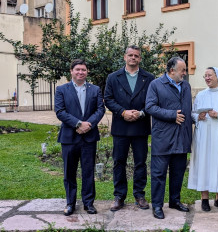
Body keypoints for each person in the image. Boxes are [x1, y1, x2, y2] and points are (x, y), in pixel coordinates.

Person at [104, 45, 155, 211]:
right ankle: (119, 196)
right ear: (125, 57)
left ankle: (139, 194)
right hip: (121, 126)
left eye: (137, 56)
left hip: (140, 126)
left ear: (140, 59)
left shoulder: (149, 78)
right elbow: (108, 99)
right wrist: (123, 112)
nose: (133, 58)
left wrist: (141, 113)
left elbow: (153, 101)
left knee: (140, 162)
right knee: (119, 162)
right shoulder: (113, 77)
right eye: (130, 55)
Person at [55, 59, 105, 216]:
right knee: (69, 172)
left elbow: (100, 109)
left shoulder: (95, 89)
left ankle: (88, 203)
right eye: (77, 69)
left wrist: (88, 124)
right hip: (69, 138)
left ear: (87, 72)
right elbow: (60, 111)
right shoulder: (62, 89)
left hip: (89, 138)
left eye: (83, 69)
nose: (80, 72)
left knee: (88, 172)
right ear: (71, 71)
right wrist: (78, 124)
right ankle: (70, 203)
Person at [145, 57, 192, 219]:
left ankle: (175, 201)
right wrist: (172, 115)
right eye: (183, 70)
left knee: (178, 172)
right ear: (172, 71)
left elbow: (187, 108)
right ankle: (157, 205)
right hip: (163, 137)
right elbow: (150, 107)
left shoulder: (186, 86)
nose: (185, 73)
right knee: (158, 174)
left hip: (182, 136)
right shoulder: (156, 85)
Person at [188, 67, 218, 211]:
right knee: (204, 162)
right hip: (203, 135)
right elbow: (192, 113)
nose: (207, 78)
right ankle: (204, 199)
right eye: (205, 76)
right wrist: (199, 116)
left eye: (210, 75)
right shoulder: (201, 95)